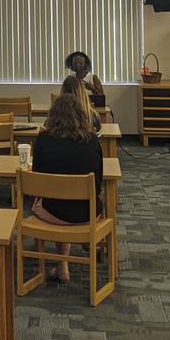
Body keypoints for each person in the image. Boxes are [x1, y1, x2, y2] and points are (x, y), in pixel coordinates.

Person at [31, 94, 104, 283]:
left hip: (52, 212)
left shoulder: (42, 141)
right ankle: (83, 251)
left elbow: (37, 181)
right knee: (70, 203)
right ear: (81, 115)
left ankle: (61, 264)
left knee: (52, 202)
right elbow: (99, 183)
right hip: (87, 212)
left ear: (52, 116)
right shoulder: (93, 141)